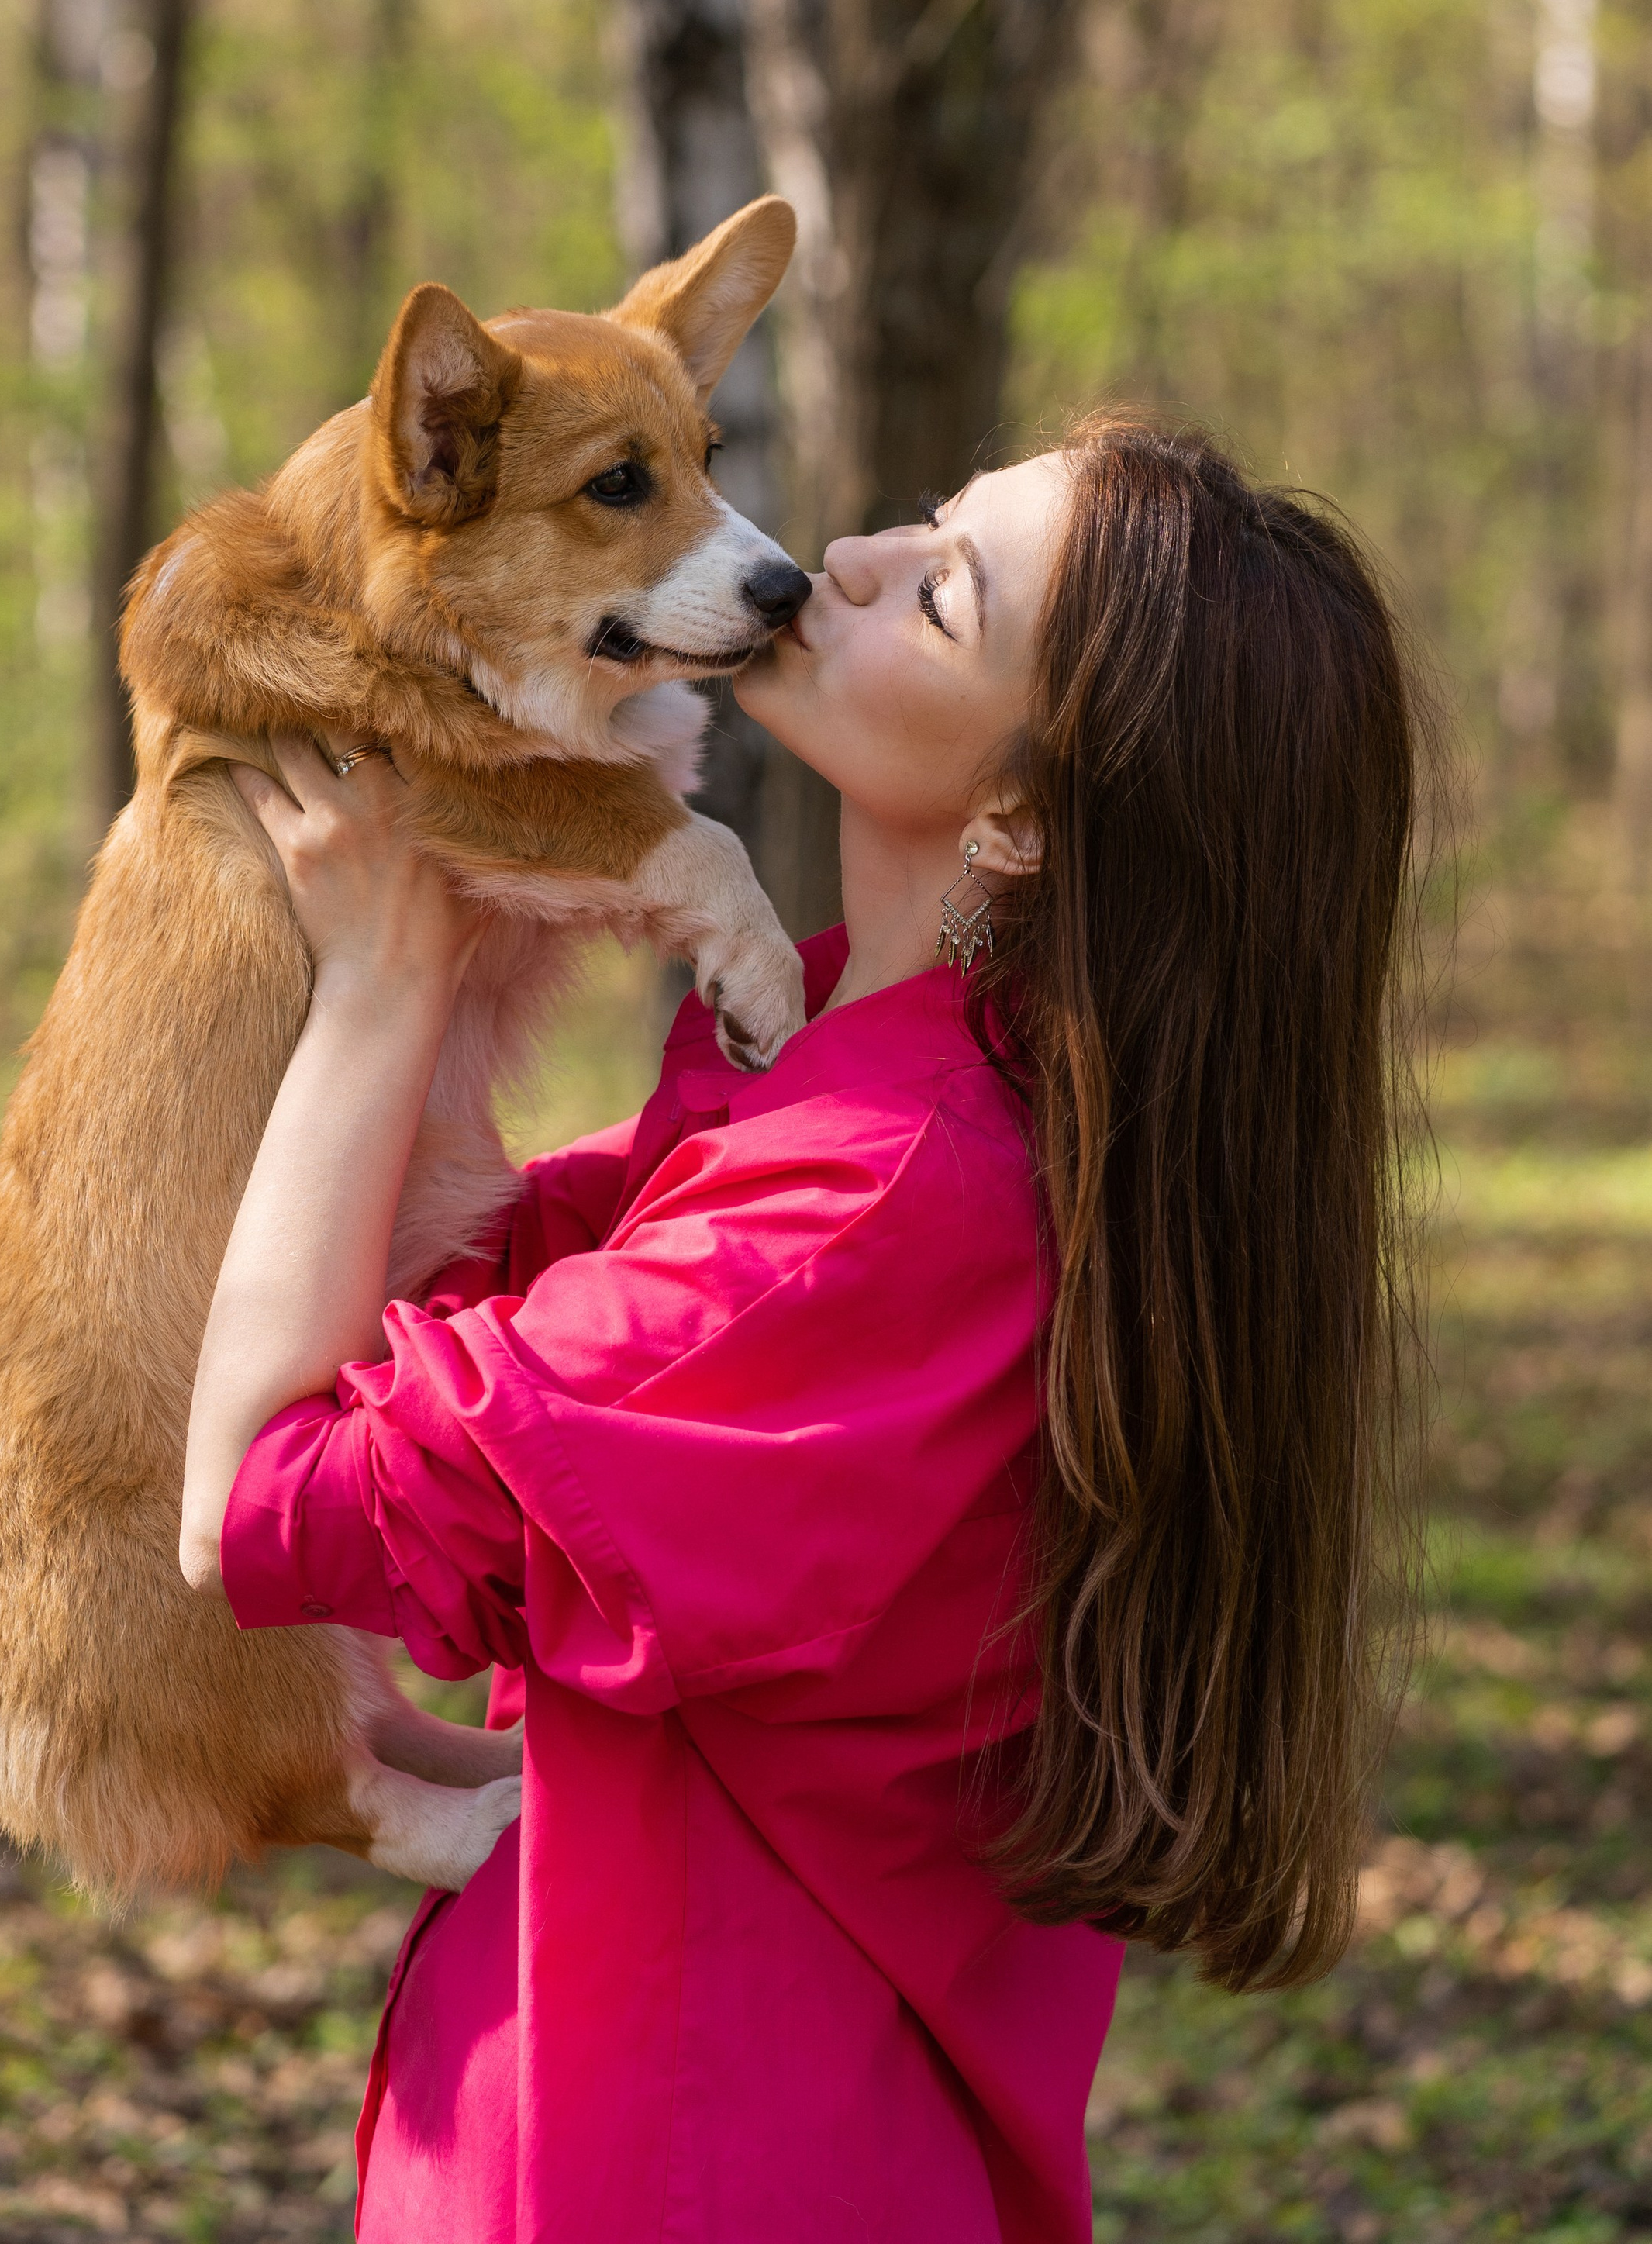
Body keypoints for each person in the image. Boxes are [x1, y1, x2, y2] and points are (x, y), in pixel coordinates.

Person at [177, 416, 1428, 2244]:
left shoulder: (859, 1208)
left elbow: (262, 1501)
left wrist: (379, 985)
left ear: (1017, 817)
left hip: (662, 2145)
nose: (841, 557)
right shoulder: (850, 1089)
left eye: (938, 596)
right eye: (923, 521)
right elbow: (428, 1293)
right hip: (734, 2113)